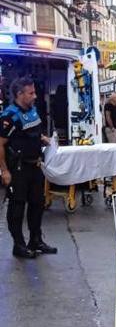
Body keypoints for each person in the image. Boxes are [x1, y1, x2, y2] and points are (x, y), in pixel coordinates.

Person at [0, 77, 56, 258]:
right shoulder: (9, 116)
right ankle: (19, 245)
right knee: (17, 207)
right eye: (31, 93)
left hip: (35, 166)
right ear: (19, 94)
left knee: (37, 205)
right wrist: (4, 171)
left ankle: (36, 240)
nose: (35, 96)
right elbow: (0, 144)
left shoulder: (32, 111)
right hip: (18, 168)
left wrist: (43, 138)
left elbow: (32, 132)